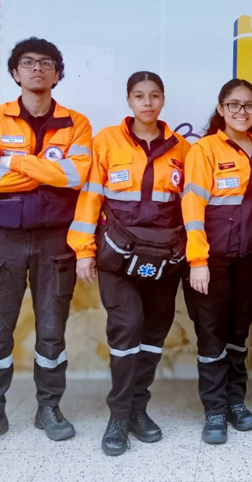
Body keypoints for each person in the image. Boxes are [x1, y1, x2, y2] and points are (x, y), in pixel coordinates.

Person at [0, 37, 92, 452]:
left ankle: (48, 408)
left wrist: (13, 161)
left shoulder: (78, 123)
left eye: (46, 63)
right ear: (15, 72)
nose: (37, 69)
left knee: (52, 333)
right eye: (28, 63)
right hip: (5, 241)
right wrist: (46, 171)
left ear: (58, 74)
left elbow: (74, 177)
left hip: (57, 240)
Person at [68, 71, 191, 456]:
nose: (148, 103)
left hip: (163, 259)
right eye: (140, 96)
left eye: (155, 96)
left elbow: (191, 208)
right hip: (116, 259)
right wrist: (83, 250)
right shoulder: (106, 141)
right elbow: (89, 199)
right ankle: (118, 417)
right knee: (127, 329)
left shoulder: (183, 149)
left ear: (163, 99)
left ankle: (139, 409)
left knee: (154, 332)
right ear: (129, 100)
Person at [181, 79, 252, 445]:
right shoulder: (203, 151)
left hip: (249, 260)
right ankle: (215, 410)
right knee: (212, 336)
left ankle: (236, 401)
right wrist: (198, 261)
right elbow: (192, 207)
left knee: (238, 335)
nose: (241, 112)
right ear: (220, 109)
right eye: (233, 105)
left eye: (249, 105)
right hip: (211, 261)